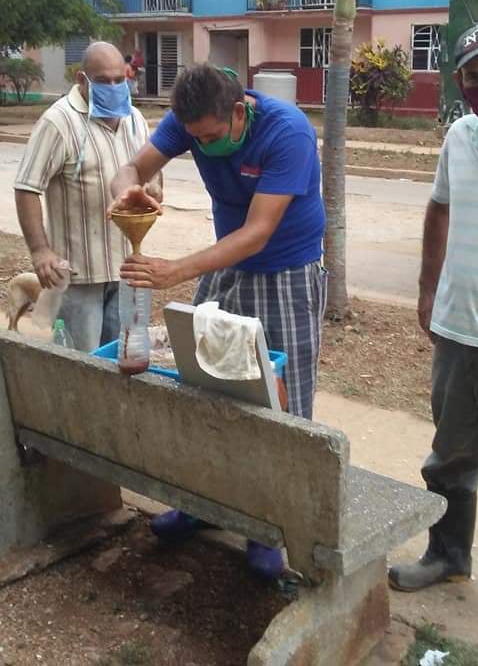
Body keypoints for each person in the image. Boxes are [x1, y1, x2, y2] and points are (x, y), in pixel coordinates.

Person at [110, 64, 327, 573]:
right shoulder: (189, 121)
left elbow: (257, 233)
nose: (202, 145)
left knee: (281, 397)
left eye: (210, 136)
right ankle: (202, 502)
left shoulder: (287, 131)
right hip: (224, 265)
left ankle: (268, 525)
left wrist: (176, 271)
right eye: (193, 139)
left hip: (286, 270)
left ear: (238, 111)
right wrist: (127, 191)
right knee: (205, 384)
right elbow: (130, 168)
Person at [388, 23, 478, 663]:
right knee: (449, 461)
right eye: (476, 76)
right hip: (454, 334)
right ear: (461, 83)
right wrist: (426, 288)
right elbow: (439, 209)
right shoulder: (459, 135)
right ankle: (448, 554)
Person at [14, 42, 160, 353]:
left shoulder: (134, 118)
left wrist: (155, 187)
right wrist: (40, 251)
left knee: (123, 358)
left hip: (126, 270)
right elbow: (27, 186)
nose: (114, 87)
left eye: (120, 80)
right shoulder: (59, 122)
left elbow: (150, 170)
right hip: (80, 276)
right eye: (104, 81)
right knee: (83, 363)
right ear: (82, 80)